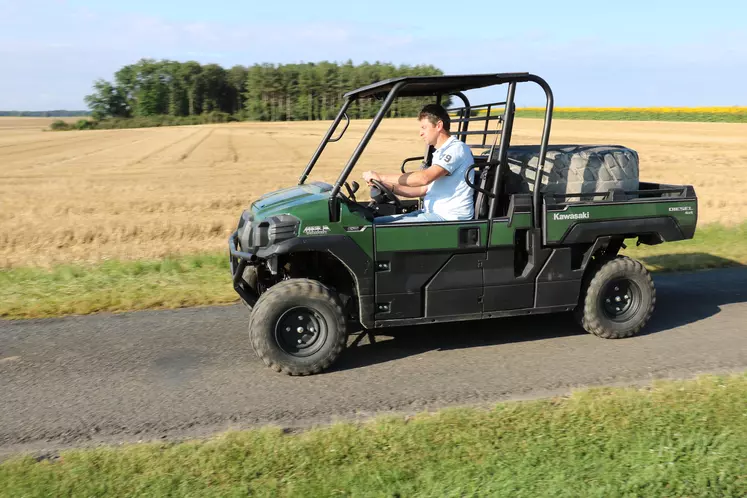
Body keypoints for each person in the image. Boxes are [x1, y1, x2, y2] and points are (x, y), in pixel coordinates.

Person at [361, 103, 475, 223]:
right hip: (431, 213)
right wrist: (388, 186)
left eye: (424, 127)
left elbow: (423, 178)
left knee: (376, 227)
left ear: (439, 126)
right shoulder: (440, 152)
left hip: (449, 219)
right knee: (372, 222)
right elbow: (423, 190)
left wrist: (381, 176)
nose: (420, 133)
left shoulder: (456, 149)